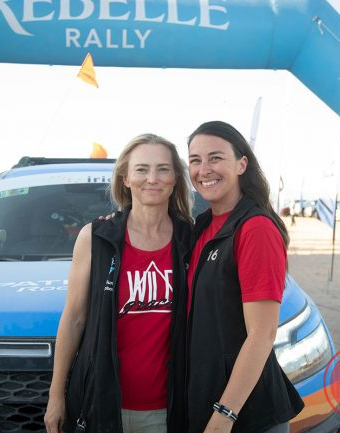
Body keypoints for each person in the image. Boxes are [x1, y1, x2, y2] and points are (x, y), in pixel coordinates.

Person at [45, 134, 192, 433]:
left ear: (175, 178)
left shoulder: (191, 239)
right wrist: (56, 395)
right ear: (125, 178)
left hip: (172, 409)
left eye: (163, 169)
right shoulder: (96, 238)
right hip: (103, 405)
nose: (152, 178)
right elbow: (73, 319)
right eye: (142, 169)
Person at [186, 121, 304, 433]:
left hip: (245, 414)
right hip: (208, 399)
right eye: (195, 160)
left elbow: (262, 334)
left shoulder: (256, 228)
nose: (204, 169)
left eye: (215, 158)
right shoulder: (202, 227)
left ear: (241, 164)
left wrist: (224, 415)